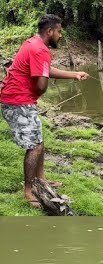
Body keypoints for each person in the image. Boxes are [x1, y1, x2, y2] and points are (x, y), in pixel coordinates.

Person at [0, 14, 88, 207]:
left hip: (19, 99)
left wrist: (74, 75)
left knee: (39, 141)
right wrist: (38, 92)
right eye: (59, 31)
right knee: (35, 146)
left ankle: (41, 180)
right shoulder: (40, 50)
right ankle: (29, 190)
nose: (60, 36)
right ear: (49, 31)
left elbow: (45, 70)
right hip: (17, 101)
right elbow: (41, 84)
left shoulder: (33, 43)